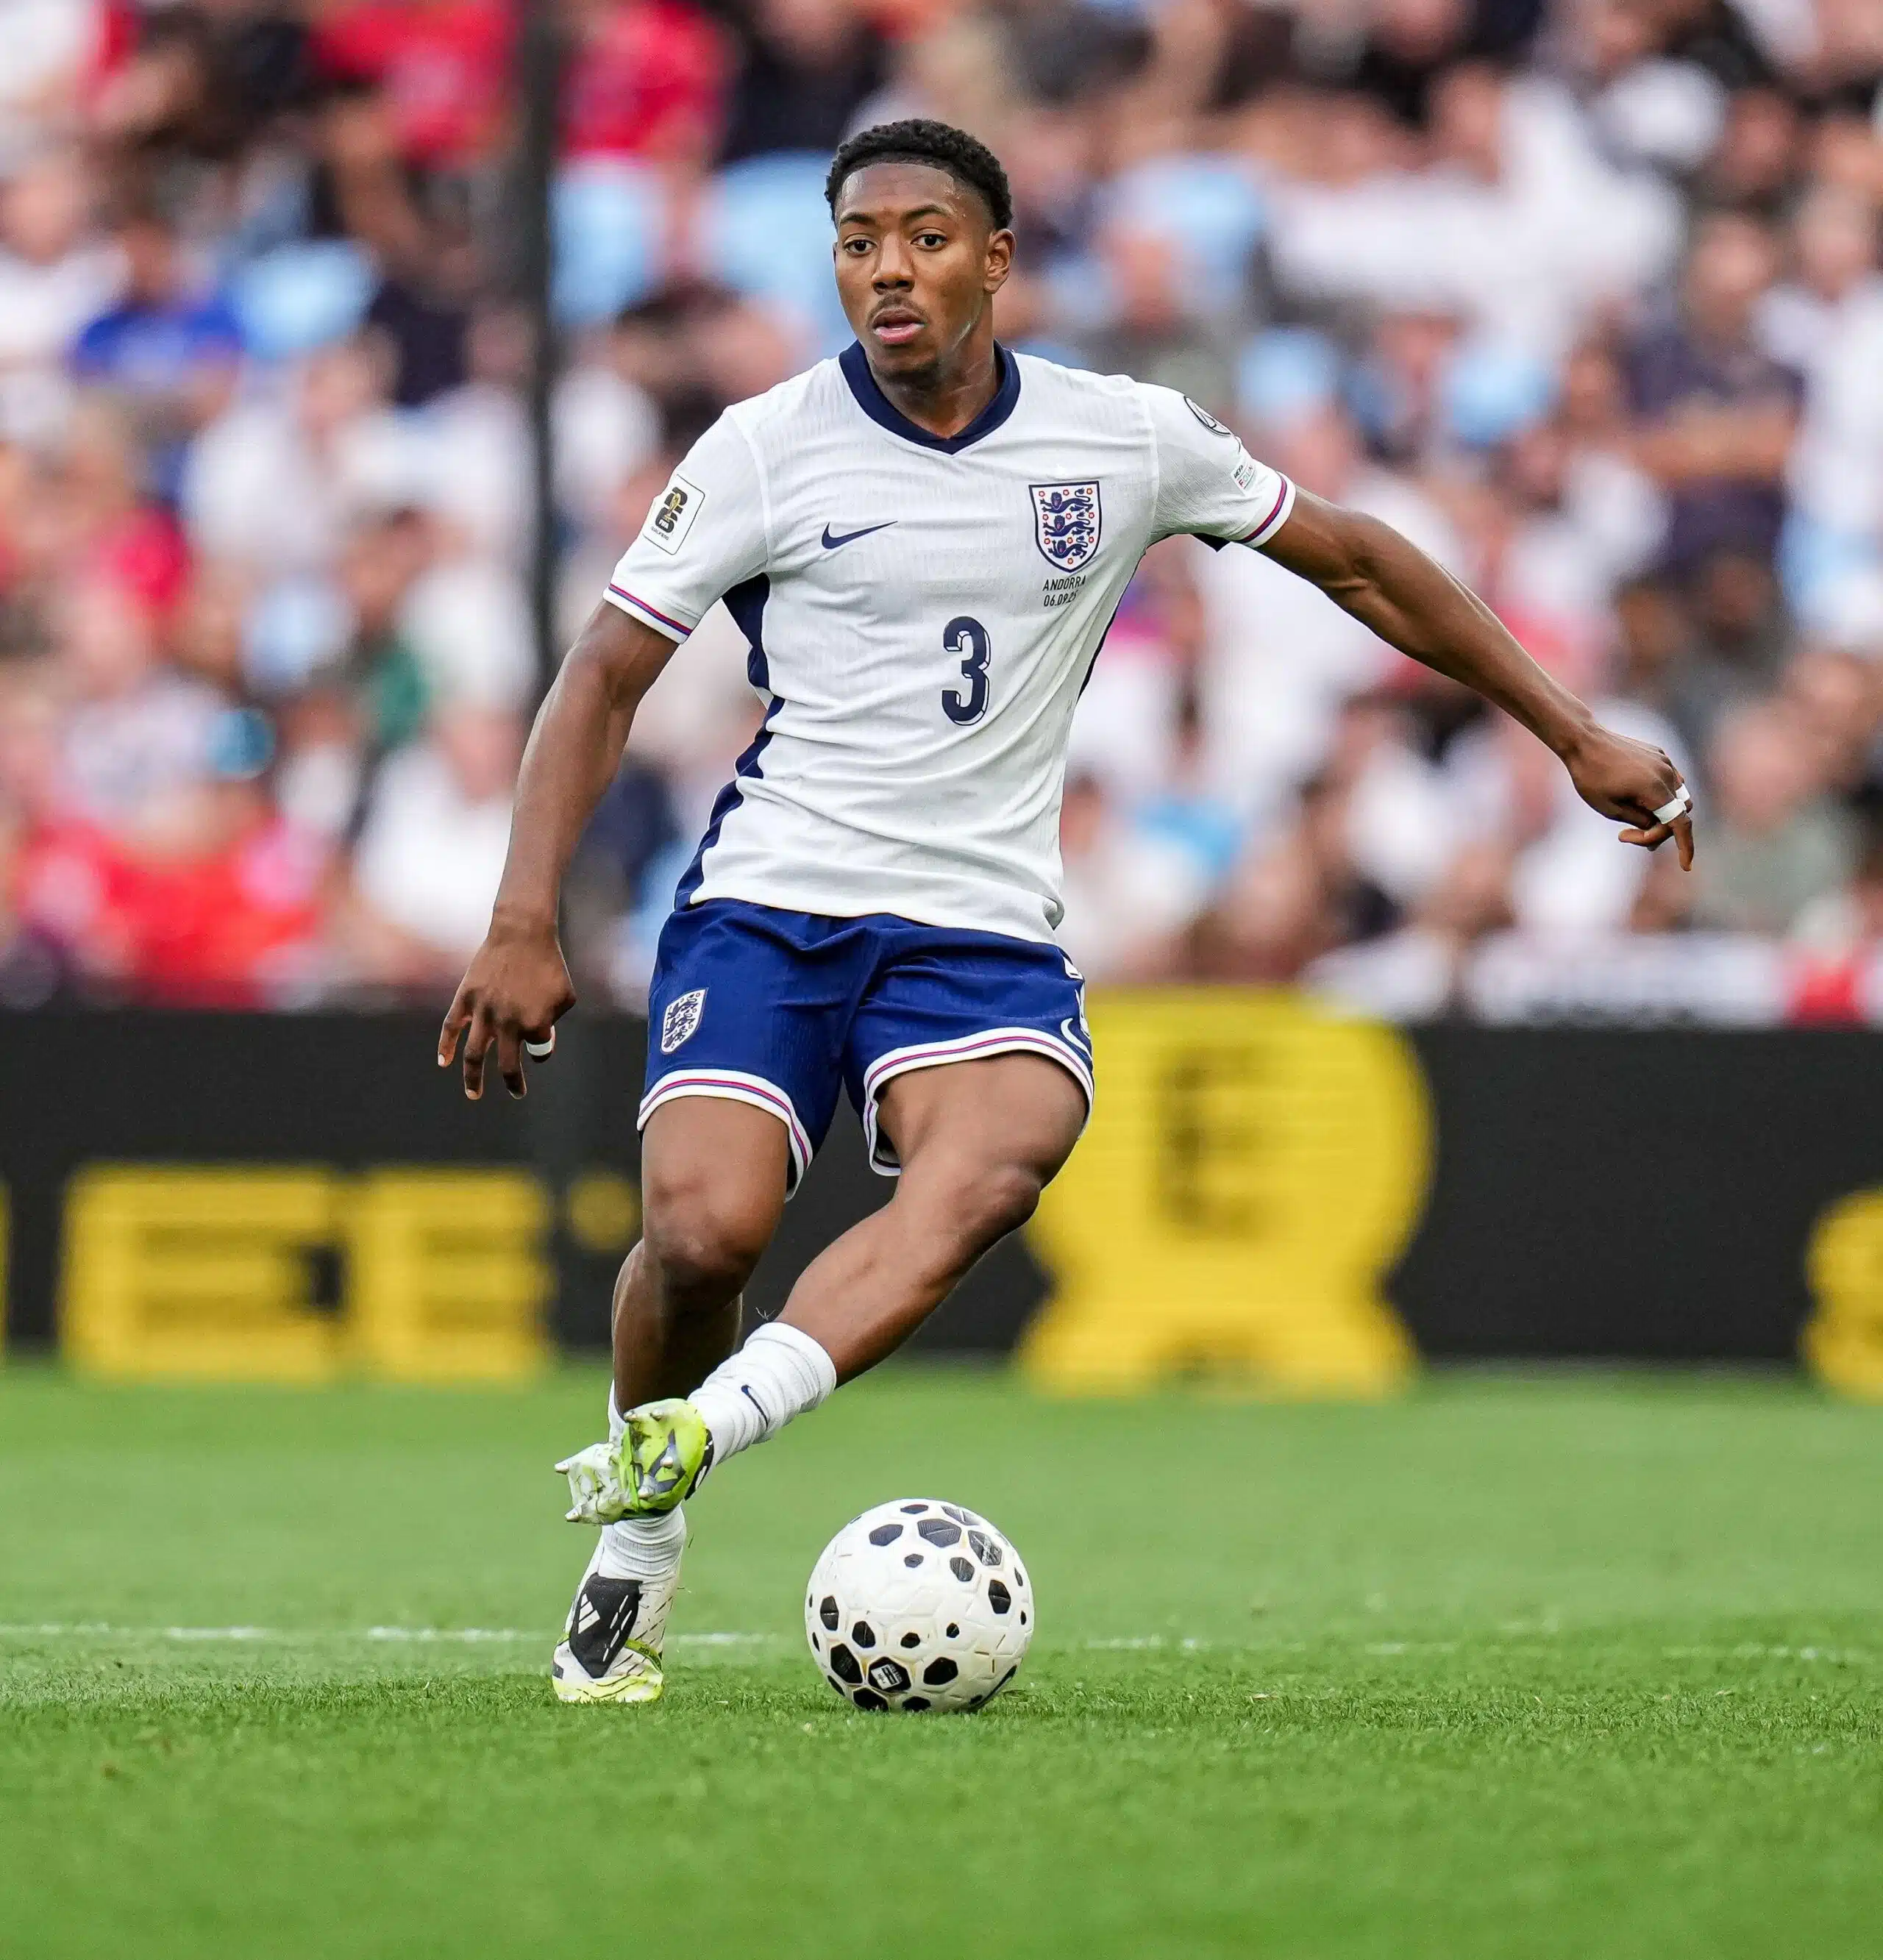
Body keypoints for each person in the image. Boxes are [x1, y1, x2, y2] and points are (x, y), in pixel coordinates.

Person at [437, 119, 1697, 1705]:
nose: (888, 270)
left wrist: (1570, 731)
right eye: (857, 244)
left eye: (923, 237)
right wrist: (522, 915)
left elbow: (1361, 563)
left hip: (980, 925)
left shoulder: (1124, 438)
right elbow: (604, 674)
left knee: (991, 1171)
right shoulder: (763, 446)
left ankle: (696, 1434)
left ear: (997, 259)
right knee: (700, 1239)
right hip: (774, 902)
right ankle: (641, 1541)